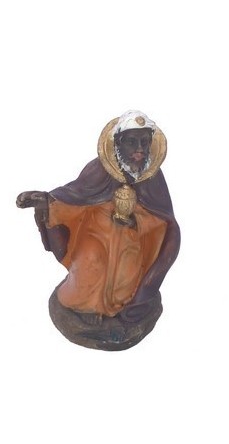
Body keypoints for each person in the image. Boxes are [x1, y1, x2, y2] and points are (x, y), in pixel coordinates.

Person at [17, 110, 180, 349]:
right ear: (118, 143)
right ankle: (85, 308)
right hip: (96, 234)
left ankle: (118, 308)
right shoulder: (99, 169)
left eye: (145, 142)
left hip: (132, 241)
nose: (139, 149)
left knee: (127, 271)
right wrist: (45, 201)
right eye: (132, 142)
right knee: (90, 262)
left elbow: (163, 222)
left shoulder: (152, 178)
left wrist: (135, 222)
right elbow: (74, 195)